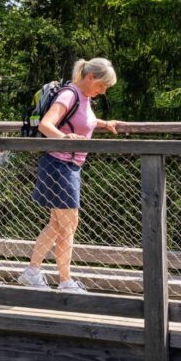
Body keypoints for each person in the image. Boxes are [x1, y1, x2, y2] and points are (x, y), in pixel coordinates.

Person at [18, 58, 122, 293]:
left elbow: (84, 120)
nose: (103, 92)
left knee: (57, 224)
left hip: (69, 167)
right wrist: (63, 138)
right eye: (102, 86)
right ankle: (65, 281)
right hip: (59, 165)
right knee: (68, 225)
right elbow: (46, 125)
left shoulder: (84, 97)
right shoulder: (70, 94)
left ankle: (32, 272)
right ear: (90, 77)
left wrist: (105, 123)